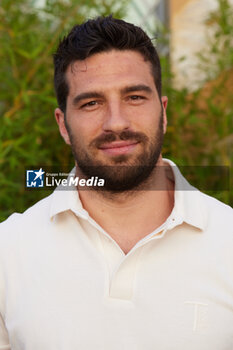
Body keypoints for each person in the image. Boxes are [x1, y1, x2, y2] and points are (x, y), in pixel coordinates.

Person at [0, 15, 232, 350]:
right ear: (63, 125)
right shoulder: (8, 253)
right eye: (91, 103)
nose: (116, 122)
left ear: (163, 112)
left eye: (135, 97)